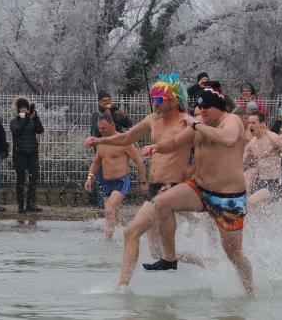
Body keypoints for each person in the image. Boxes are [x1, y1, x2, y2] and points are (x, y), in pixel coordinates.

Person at [83, 73, 198, 290]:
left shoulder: (187, 121)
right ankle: (203, 261)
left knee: (130, 232)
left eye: (158, 99)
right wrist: (100, 140)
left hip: (171, 187)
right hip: (156, 188)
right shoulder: (152, 119)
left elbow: (204, 140)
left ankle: (122, 286)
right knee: (156, 251)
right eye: (153, 99)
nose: (154, 103)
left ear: (172, 100)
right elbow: (127, 137)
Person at [147, 82, 254, 295]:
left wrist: (197, 126)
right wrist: (157, 147)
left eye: (206, 108)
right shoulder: (199, 123)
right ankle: (169, 257)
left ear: (220, 107)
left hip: (228, 198)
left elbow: (229, 139)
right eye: (199, 107)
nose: (202, 111)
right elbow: (176, 141)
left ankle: (250, 292)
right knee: (162, 203)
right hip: (200, 188)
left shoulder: (230, 120)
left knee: (233, 253)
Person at [84, 115, 147, 240]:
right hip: (107, 182)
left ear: (112, 125)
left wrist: (142, 182)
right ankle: (122, 238)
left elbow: (139, 161)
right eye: (99, 128)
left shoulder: (124, 141)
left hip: (121, 181)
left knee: (109, 210)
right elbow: (96, 162)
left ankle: (108, 243)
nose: (101, 131)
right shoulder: (101, 142)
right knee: (113, 214)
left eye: (104, 128)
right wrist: (90, 177)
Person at [243, 110, 282, 207]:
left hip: (274, 183)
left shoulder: (273, 138)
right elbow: (242, 165)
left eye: (253, 123)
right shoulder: (251, 144)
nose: (250, 125)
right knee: (257, 211)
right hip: (260, 182)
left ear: (262, 124)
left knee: (250, 202)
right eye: (249, 123)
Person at [9, 97, 44, 213]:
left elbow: (40, 130)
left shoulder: (32, 119)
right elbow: (17, 131)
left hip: (32, 152)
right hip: (20, 153)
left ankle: (31, 203)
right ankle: (21, 204)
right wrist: (25, 118)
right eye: (22, 108)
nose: (24, 110)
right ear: (18, 110)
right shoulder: (14, 121)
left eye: (26, 108)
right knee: (21, 179)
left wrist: (36, 117)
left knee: (34, 178)